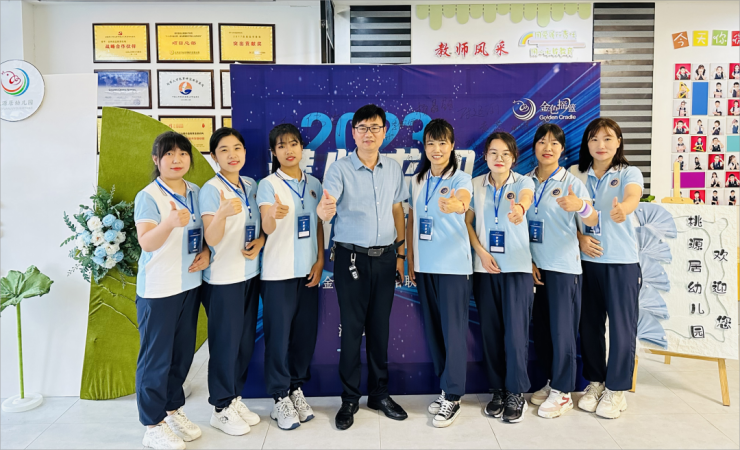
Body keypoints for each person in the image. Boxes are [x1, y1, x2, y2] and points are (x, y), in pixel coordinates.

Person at [317, 104, 409, 430]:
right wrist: (325, 209)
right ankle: (349, 398)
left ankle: (379, 394)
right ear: (353, 132)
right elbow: (326, 206)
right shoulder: (339, 169)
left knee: (380, 328)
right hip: (351, 259)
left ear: (385, 132)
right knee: (352, 329)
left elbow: (397, 209)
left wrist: (400, 254)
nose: (368, 134)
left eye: (375, 128)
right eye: (362, 128)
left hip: (385, 257)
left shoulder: (393, 168)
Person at [134, 131, 211, 450]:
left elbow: (203, 233)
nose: (177, 159)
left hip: (190, 285)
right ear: (157, 159)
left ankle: (172, 410)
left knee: (181, 355)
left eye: (183, 153)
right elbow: (146, 242)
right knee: (156, 358)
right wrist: (168, 223)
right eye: (169, 154)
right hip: (159, 289)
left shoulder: (195, 191)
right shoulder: (149, 196)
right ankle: (152, 424)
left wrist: (206, 252)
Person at [524, 124, 597, 420]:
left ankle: (564, 392)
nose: (548, 148)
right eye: (542, 142)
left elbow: (592, 220)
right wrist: (528, 261)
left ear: (562, 150)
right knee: (542, 330)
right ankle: (552, 381)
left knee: (562, 330)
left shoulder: (572, 183)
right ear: (534, 147)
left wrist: (580, 206)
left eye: (554, 143)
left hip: (563, 267)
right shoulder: (525, 182)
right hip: (534, 266)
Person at [405, 119, 473, 428]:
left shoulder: (461, 178)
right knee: (434, 330)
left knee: (453, 331)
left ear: (452, 145)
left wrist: (457, 205)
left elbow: (464, 202)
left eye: (442, 143)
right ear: (424, 146)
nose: (436, 149)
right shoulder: (418, 179)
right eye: (431, 143)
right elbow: (411, 219)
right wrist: (410, 258)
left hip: (452, 266)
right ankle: (445, 389)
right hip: (424, 266)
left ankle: (454, 395)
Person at [257, 124, 324, 431]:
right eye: (281, 146)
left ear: (302, 148)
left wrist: (320, 260)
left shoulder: (314, 183)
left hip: (308, 271)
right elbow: (266, 227)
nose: (288, 150)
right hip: (278, 273)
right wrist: (272, 214)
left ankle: (296, 388)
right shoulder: (268, 185)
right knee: (278, 337)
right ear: (274, 152)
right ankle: (279, 397)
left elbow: (319, 224)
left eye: (293, 143)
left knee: (304, 336)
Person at [199, 128, 264, 437]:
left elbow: (259, 226)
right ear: (214, 156)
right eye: (224, 150)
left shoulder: (251, 185)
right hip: (223, 279)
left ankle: (235, 397)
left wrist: (261, 240)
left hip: (250, 274)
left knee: (244, 342)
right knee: (225, 344)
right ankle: (221, 407)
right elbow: (211, 239)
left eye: (237, 148)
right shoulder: (211, 190)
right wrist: (222, 213)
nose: (232, 154)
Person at [465, 131, 535, 423]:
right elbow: (467, 222)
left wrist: (520, 208)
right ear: (485, 156)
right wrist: (480, 252)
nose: (499, 158)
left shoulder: (523, 183)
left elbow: (526, 198)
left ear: (514, 157)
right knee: (491, 334)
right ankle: (498, 390)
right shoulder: (474, 184)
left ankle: (516, 392)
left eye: (505, 153)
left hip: (516, 269)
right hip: (485, 268)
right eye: (493, 152)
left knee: (516, 334)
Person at [576, 118, 643, 420]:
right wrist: (580, 238)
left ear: (618, 142)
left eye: (607, 138)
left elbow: (633, 196)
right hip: (586, 263)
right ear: (587, 144)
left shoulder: (628, 172)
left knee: (621, 328)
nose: (600, 145)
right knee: (589, 326)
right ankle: (596, 382)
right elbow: (566, 217)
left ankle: (616, 389)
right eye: (594, 139)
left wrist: (622, 210)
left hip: (621, 263)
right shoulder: (577, 174)